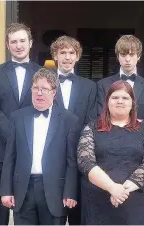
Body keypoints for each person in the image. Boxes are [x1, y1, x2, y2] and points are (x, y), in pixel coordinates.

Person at [0, 68, 79, 225]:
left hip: (55, 190)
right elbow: (10, 156)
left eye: (44, 89)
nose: (39, 93)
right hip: (23, 189)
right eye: (36, 88)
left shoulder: (69, 120)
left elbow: (71, 161)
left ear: (54, 92)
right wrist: (6, 190)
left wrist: (70, 192)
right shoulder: (18, 117)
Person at [77, 80, 144, 224]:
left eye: (125, 98)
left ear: (133, 103)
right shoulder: (91, 128)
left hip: (134, 204)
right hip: (98, 204)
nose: (120, 101)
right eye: (115, 97)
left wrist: (121, 191)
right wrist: (111, 188)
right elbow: (85, 162)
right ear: (107, 102)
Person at [0, 23, 40, 225]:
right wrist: (12, 134)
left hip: (31, 149)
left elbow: (43, 108)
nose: (18, 45)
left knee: (27, 203)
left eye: (22, 40)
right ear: (7, 45)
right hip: (0, 147)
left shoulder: (41, 73)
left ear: (30, 43)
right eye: (13, 41)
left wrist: (23, 137)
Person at [50, 35, 97, 225]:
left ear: (77, 57)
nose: (67, 57)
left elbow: (91, 120)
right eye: (63, 52)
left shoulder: (89, 87)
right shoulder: (46, 84)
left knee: (78, 214)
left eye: (71, 53)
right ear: (55, 55)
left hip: (79, 156)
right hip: (52, 156)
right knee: (54, 213)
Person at [97, 35, 144, 120]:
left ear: (139, 56)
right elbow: (101, 117)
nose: (127, 59)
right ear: (118, 56)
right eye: (123, 55)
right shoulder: (103, 85)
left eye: (132, 54)